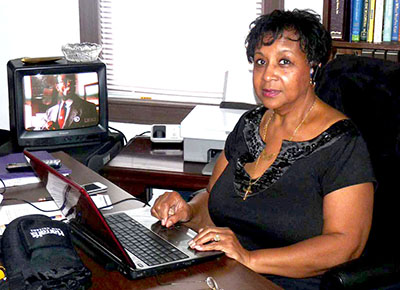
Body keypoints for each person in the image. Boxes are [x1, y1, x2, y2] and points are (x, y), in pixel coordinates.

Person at [151, 9, 375, 289]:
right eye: (260, 62)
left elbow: (346, 244)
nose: (267, 75)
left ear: (313, 68)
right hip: (226, 272)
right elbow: (214, 201)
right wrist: (188, 211)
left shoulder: (342, 143)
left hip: (292, 282)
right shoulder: (248, 125)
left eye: (284, 62)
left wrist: (250, 258)